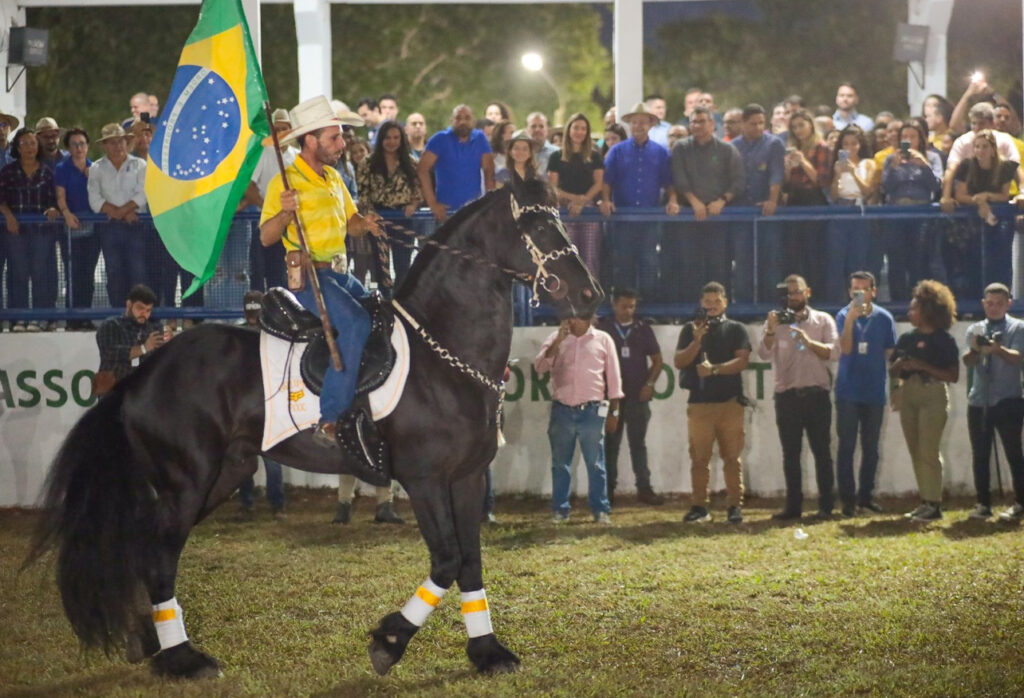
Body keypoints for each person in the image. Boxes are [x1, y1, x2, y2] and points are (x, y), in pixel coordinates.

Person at [259, 96, 386, 466]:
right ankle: (329, 419)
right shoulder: (284, 184)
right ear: (310, 140)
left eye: (341, 137)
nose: (342, 144)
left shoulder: (334, 177)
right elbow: (267, 237)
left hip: (338, 272)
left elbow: (350, 222)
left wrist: (367, 224)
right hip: (309, 277)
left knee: (380, 311)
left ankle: (363, 395)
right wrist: (285, 213)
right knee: (356, 322)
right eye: (334, 138)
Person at [758, 275, 839, 520]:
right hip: (788, 397)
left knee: (822, 452)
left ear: (808, 292)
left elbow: (834, 353)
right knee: (791, 454)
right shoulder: (775, 321)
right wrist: (771, 330)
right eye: (788, 293)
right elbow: (763, 353)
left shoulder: (823, 320)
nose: (792, 296)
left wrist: (808, 341)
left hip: (817, 395)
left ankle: (826, 506)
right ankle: (793, 507)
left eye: (796, 292)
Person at [534, 314, 623, 524]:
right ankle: (560, 510)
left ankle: (600, 509)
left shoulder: (603, 339)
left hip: (592, 410)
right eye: (569, 316)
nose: (571, 321)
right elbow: (539, 367)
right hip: (562, 410)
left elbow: (613, 378)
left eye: (577, 316)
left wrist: (614, 412)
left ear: (589, 318)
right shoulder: (556, 337)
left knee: (596, 464)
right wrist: (557, 341)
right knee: (560, 464)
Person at [674, 282, 751, 524]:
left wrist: (715, 370)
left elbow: (742, 362)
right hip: (699, 404)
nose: (712, 306)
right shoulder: (689, 330)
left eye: (717, 301)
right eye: (708, 302)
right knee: (699, 458)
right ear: (701, 303)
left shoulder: (736, 329)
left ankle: (734, 507)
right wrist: (696, 341)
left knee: (732, 457)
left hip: (730, 404)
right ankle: (699, 506)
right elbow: (678, 361)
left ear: (725, 302)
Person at [890, 280, 959, 522]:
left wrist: (922, 365)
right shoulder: (907, 338)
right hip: (909, 393)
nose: (910, 313)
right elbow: (893, 370)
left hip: (933, 394)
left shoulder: (944, 340)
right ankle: (925, 500)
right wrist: (900, 364)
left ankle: (934, 503)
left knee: (929, 450)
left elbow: (953, 375)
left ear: (928, 310)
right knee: (916, 449)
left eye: (914, 309)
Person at [834, 271, 897, 517]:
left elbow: (891, 354)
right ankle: (848, 501)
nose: (858, 294)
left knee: (871, 447)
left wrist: (898, 384)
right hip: (848, 392)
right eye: (854, 290)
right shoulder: (841, 315)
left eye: (863, 289)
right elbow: (846, 349)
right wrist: (850, 320)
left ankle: (866, 497)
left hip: (874, 392)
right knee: (846, 447)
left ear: (874, 291)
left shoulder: (884, 318)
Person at [601, 102, 676, 303]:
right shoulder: (617, 151)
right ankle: (622, 307)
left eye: (643, 122)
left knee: (649, 263)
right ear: (630, 125)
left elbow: (668, 182)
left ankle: (648, 308)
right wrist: (606, 200)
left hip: (649, 219)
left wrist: (673, 200)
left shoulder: (661, 152)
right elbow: (607, 180)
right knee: (623, 264)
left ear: (650, 124)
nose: (638, 126)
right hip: (623, 219)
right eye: (635, 122)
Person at [667, 105, 744, 303]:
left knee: (719, 265)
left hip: (718, 216)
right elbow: (679, 178)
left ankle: (720, 307)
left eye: (702, 121)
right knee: (689, 264)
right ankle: (689, 310)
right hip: (689, 216)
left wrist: (722, 200)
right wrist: (694, 202)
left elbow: (738, 181)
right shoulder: (681, 148)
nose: (697, 125)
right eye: (693, 121)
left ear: (712, 124)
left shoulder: (727, 149)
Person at [595, 288, 664, 506]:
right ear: (614, 305)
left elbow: (658, 360)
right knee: (609, 444)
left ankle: (644, 489)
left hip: (637, 397)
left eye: (632, 306)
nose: (629, 310)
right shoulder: (603, 328)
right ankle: (608, 491)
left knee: (638, 444)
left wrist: (650, 383)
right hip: (610, 398)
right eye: (624, 306)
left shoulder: (643, 329)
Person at [963, 283, 1024, 522]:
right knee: (980, 453)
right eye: (990, 303)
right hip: (979, 400)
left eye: (999, 303)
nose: (994, 308)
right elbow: (967, 361)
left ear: (1008, 304)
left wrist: (998, 350)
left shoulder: (1018, 327)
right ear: (983, 304)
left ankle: (1020, 502)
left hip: (1009, 399)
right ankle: (983, 503)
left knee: (1013, 452)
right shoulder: (975, 329)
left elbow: (1017, 358)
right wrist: (977, 349)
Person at [0, 127, 61, 332]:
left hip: (41, 233)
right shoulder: (8, 171)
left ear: (38, 146)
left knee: (40, 273)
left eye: (33, 143)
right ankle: (18, 319)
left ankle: (39, 318)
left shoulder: (47, 171)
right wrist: (8, 216)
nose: (29, 147)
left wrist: (53, 209)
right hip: (15, 232)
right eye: (24, 143)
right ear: (17, 147)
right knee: (17, 274)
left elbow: (54, 201)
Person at [880, 121, 943, 302]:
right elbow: (885, 188)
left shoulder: (931, 158)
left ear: (920, 139)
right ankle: (899, 304)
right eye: (904, 137)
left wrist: (924, 166)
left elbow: (936, 186)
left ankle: (920, 302)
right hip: (896, 213)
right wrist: (892, 168)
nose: (908, 140)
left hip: (921, 213)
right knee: (896, 261)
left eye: (912, 136)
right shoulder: (890, 159)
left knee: (919, 260)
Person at [237, 290, 287, 518]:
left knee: (248, 454)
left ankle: (252, 502)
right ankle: (272, 504)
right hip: (262, 402)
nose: (252, 318)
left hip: (253, 403)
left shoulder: (240, 334)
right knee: (269, 456)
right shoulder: (272, 333)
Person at [948, 129, 1017, 292]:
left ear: (993, 149)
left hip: (999, 222)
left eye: (985, 147)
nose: (980, 151)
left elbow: (1003, 195)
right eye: (977, 147)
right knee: (972, 260)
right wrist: (978, 201)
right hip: (971, 223)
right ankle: (974, 298)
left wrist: (986, 196)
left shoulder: (1005, 166)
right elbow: (960, 195)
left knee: (999, 260)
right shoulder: (967, 165)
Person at [87, 123, 147, 308]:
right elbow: (94, 198)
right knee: (114, 271)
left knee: (138, 271)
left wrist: (123, 211)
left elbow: (144, 193)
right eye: (111, 142)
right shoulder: (96, 168)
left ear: (126, 142)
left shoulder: (139, 164)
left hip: (135, 225)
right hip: (110, 227)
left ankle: (140, 313)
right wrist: (120, 213)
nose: (117, 146)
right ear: (104, 145)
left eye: (120, 141)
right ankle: (118, 312)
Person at [356, 120, 423, 289]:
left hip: (403, 217)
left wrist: (413, 205)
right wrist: (370, 214)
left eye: (396, 137)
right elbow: (363, 193)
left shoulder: (411, 161)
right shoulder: (367, 163)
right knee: (380, 266)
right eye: (387, 138)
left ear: (402, 140)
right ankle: (384, 301)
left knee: (403, 264)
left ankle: (399, 301)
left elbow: (418, 189)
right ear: (380, 139)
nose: (392, 142)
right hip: (378, 218)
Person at [732, 103, 784, 303]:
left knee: (769, 260)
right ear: (743, 123)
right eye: (753, 124)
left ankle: (768, 305)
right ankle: (744, 306)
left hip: (766, 211)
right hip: (739, 211)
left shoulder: (774, 144)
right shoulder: (733, 146)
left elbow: (776, 174)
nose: (758, 127)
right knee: (743, 260)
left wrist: (772, 200)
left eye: (762, 123)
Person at [417, 104, 494, 223]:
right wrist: (432, 204)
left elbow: (489, 170)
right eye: (458, 118)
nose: (462, 121)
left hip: (473, 214)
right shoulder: (439, 139)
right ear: (451, 120)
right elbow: (422, 169)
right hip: (445, 213)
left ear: (473, 120)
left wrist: (489, 204)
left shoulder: (480, 139)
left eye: (467, 118)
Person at [54, 127, 100, 329]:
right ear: (68, 148)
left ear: (87, 146)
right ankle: (73, 318)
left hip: (93, 228)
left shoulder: (96, 168)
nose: (79, 148)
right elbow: (60, 196)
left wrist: (91, 177)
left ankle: (85, 316)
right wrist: (66, 213)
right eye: (74, 144)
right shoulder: (62, 168)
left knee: (88, 275)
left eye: (82, 143)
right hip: (71, 228)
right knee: (73, 274)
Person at [547, 113, 603, 275]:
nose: (579, 132)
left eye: (583, 129)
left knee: (590, 256)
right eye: (576, 127)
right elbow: (553, 187)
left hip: (589, 210)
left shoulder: (595, 156)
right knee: (565, 256)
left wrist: (583, 201)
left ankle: (591, 296)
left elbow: (598, 183)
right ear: (568, 130)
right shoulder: (556, 157)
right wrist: (573, 200)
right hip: (564, 209)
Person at [782, 109, 831, 293]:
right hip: (794, 200)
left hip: (814, 200)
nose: (798, 130)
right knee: (794, 251)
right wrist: (787, 168)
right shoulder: (792, 148)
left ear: (811, 125)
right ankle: (794, 293)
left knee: (813, 251)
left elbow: (821, 180)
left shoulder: (821, 147)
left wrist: (803, 161)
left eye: (801, 125)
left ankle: (817, 292)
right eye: (794, 127)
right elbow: (786, 184)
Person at [826, 126, 877, 303]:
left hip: (858, 210)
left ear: (860, 144)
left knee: (857, 260)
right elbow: (832, 194)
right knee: (835, 261)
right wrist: (838, 175)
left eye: (853, 143)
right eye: (845, 143)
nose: (850, 147)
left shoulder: (867, 164)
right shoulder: (837, 165)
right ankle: (835, 302)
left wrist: (853, 172)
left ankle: (860, 302)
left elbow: (867, 190)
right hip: (839, 210)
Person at [94, 284, 166, 394]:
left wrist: (169, 343)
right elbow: (110, 353)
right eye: (140, 308)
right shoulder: (110, 325)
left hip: (142, 389)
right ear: (129, 304)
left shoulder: (155, 328)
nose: (144, 314)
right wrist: (143, 348)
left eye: (148, 310)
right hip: (111, 387)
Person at [525, 112, 559, 177]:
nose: (537, 129)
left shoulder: (558, 153)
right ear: (526, 130)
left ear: (547, 130)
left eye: (541, 126)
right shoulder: (519, 154)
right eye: (533, 126)